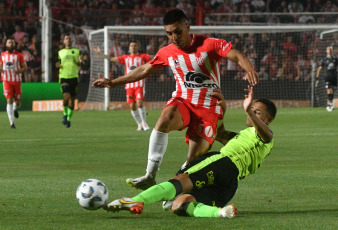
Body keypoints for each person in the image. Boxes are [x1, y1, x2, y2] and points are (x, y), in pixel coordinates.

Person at [92, 9, 259, 190]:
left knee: (193, 161)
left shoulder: (209, 44)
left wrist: (249, 69)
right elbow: (143, 70)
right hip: (183, 101)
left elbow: (237, 55)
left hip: (209, 107)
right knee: (166, 117)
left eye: (177, 31)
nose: (174, 37)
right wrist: (112, 82)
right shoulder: (167, 52)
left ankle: (179, 185)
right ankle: (150, 175)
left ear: (187, 26)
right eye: (169, 33)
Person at [103, 86, 277, 218]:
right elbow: (220, 133)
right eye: (252, 110)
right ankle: (220, 213)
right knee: (178, 205)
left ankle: (137, 200)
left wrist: (248, 110)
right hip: (230, 182)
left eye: (257, 112)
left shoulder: (264, 136)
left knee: (182, 180)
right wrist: (221, 109)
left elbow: (267, 135)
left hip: (223, 162)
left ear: (268, 120)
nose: (252, 113)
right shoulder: (244, 137)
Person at [92, 41, 151, 131]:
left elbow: (153, 58)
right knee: (132, 106)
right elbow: (112, 59)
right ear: (129, 47)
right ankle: (139, 124)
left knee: (139, 103)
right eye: (131, 45)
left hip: (139, 84)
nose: (133, 47)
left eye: (135, 45)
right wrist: (100, 53)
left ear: (137, 47)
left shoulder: (142, 56)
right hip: (129, 85)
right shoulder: (125, 58)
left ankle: (144, 122)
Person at [56, 34, 83, 128]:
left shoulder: (77, 51)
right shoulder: (60, 52)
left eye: (69, 38)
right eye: (66, 38)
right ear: (63, 41)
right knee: (66, 96)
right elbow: (57, 63)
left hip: (74, 77)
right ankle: (64, 114)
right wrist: (58, 65)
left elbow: (81, 63)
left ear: (72, 41)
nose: (68, 40)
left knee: (72, 101)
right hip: (64, 76)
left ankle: (68, 119)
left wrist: (81, 62)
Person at [0, 37, 27, 128]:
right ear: (6, 44)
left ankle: (15, 108)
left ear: (14, 44)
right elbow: (0, 67)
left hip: (17, 80)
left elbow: (25, 68)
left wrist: (18, 71)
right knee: (9, 99)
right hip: (6, 80)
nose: (10, 44)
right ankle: (12, 123)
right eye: (9, 42)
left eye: (12, 42)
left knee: (18, 101)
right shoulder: (2, 55)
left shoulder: (19, 55)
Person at [315, 46, 337, 112]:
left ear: (332, 51)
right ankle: (330, 104)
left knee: (332, 91)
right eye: (328, 49)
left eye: (330, 49)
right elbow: (319, 69)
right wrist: (317, 77)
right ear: (326, 51)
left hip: (334, 77)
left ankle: (331, 103)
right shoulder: (324, 59)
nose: (329, 50)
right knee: (328, 89)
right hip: (327, 77)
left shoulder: (335, 59)